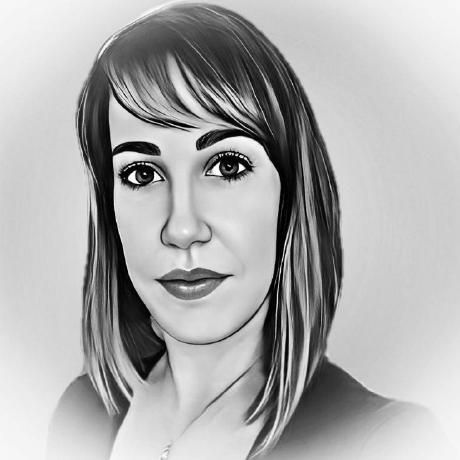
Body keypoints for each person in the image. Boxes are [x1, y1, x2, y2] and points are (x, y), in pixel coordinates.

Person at [46, 3, 458, 459]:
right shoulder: (82, 411)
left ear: (290, 195)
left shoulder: (385, 442)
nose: (182, 228)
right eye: (142, 174)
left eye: (227, 166)